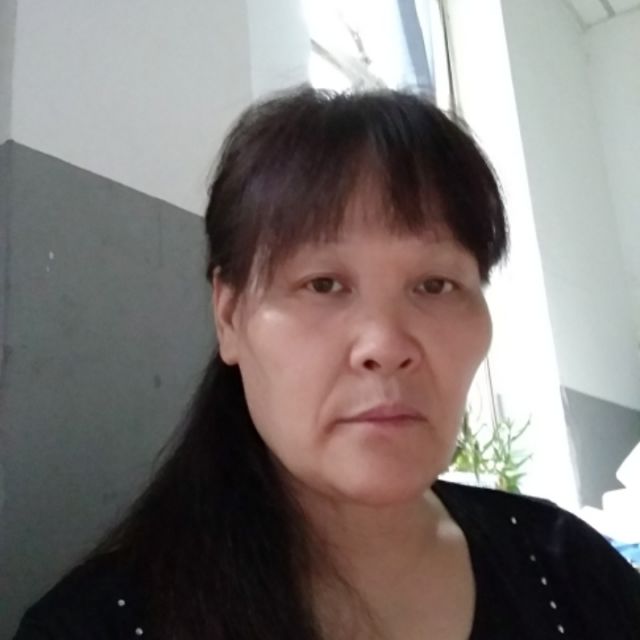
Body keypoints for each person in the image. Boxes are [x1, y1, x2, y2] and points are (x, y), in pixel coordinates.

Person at [13, 87, 640, 640]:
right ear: (229, 316)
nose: (385, 344)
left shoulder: (565, 572)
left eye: (435, 285)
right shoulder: (103, 624)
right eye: (322, 284)